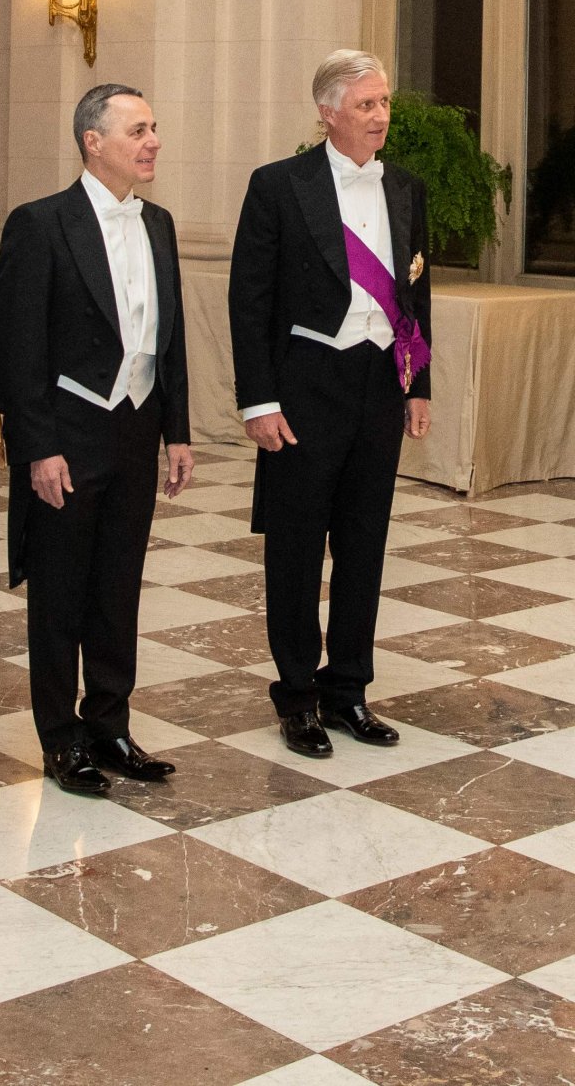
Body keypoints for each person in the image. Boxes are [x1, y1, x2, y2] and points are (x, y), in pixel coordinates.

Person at [228, 49, 432, 759]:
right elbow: (248, 300)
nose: (381, 116)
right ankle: (297, 696)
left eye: (384, 103)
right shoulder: (281, 185)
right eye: (367, 104)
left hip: (378, 387)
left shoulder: (404, 187)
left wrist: (418, 385)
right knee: (294, 546)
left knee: (364, 545)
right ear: (328, 111)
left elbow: (413, 292)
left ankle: (348, 689)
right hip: (305, 387)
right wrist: (259, 400)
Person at [0, 84, 194, 797]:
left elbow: (168, 339)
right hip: (68, 435)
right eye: (138, 129)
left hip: (137, 428)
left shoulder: (160, 224)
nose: (152, 141)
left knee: (117, 586)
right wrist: (37, 449)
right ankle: (61, 737)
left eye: (154, 127)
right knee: (60, 592)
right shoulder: (41, 223)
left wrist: (178, 431)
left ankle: (110, 722)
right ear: (92, 140)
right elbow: (17, 351)